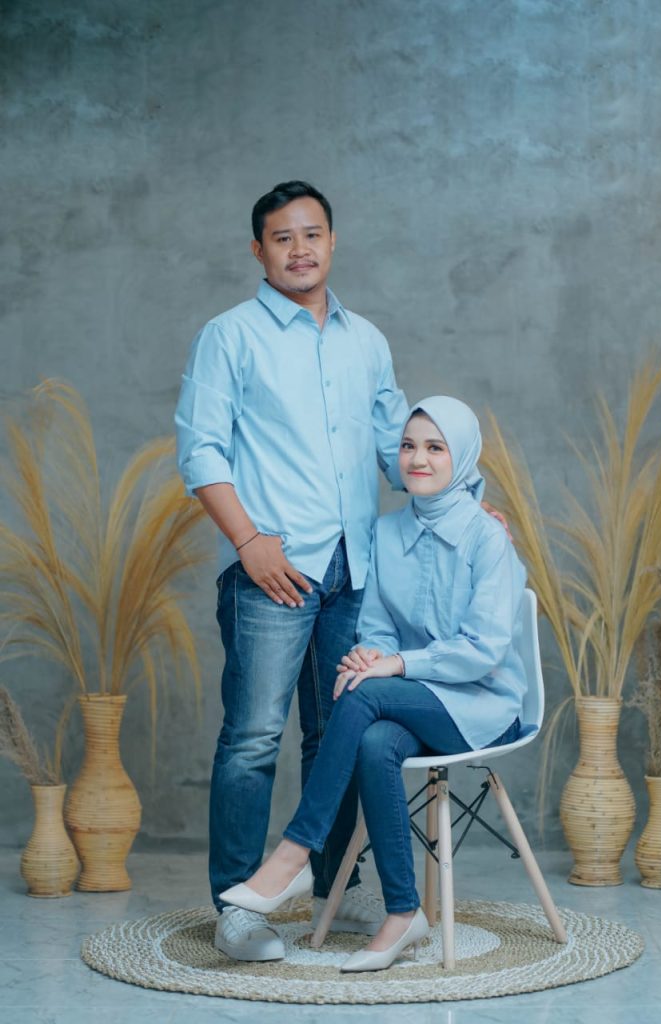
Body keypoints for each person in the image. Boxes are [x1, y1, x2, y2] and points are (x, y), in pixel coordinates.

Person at [175, 181, 410, 961]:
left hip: (353, 568)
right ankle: (238, 907)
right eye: (283, 237)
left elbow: (396, 447)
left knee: (336, 733)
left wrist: (470, 504)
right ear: (259, 250)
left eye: (312, 234)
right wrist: (248, 541)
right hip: (272, 571)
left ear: (333, 242)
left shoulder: (365, 340)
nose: (300, 249)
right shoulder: (229, 336)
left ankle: (334, 886)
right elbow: (201, 449)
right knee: (252, 739)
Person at [220, 396, 528, 973]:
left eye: (436, 448)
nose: (418, 458)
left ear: (463, 457)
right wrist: (373, 652)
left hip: (482, 705)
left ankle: (294, 855)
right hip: (418, 698)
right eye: (408, 446)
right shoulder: (386, 533)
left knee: (363, 692)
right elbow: (381, 624)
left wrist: (394, 665)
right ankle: (403, 911)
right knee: (373, 740)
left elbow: (484, 650)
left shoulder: (487, 538)